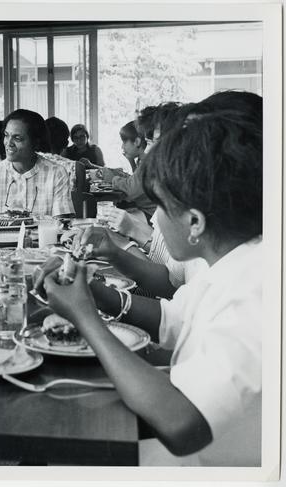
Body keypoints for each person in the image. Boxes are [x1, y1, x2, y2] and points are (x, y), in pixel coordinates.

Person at [39, 107, 262, 466]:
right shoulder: (228, 264)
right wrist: (94, 291)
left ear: (195, 222)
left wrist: (85, 318)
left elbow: (182, 425)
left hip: (205, 465)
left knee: (58, 443)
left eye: (160, 206)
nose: (154, 218)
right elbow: (172, 317)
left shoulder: (253, 291)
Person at [0, 109, 74, 217]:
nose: (8, 143)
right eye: (6, 135)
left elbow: (61, 224)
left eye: (17, 138)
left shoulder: (56, 173)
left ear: (35, 142)